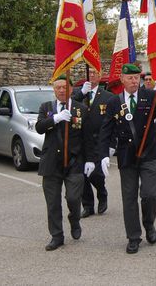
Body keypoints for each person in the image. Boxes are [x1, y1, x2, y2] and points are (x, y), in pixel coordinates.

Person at [99, 63, 156, 254]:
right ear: (122, 79)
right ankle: (133, 236)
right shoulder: (114, 103)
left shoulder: (150, 96)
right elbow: (106, 130)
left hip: (149, 154)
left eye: (136, 78)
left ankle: (149, 224)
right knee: (129, 198)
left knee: (149, 194)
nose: (134, 81)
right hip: (127, 157)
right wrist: (103, 155)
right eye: (130, 78)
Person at [35, 75, 95, 251]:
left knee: (73, 198)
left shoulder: (81, 109)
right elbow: (39, 127)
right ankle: (57, 235)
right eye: (58, 87)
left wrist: (91, 160)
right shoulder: (46, 108)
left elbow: (88, 138)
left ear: (71, 89)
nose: (61, 90)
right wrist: (56, 118)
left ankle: (74, 219)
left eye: (64, 87)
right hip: (51, 162)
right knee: (52, 203)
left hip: (74, 162)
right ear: (54, 90)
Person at [72, 68, 114, 217]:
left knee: (96, 174)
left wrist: (111, 144)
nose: (92, 76)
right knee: (82, 175)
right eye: (90, 73)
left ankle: (102, 194)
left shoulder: (108, 97)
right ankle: (88, 205)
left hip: (99, 140)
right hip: (81, 140)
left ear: (100, 76)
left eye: (95, 73)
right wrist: (82, 93)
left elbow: (113, 122)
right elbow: (69, 105)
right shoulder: (80, 94)